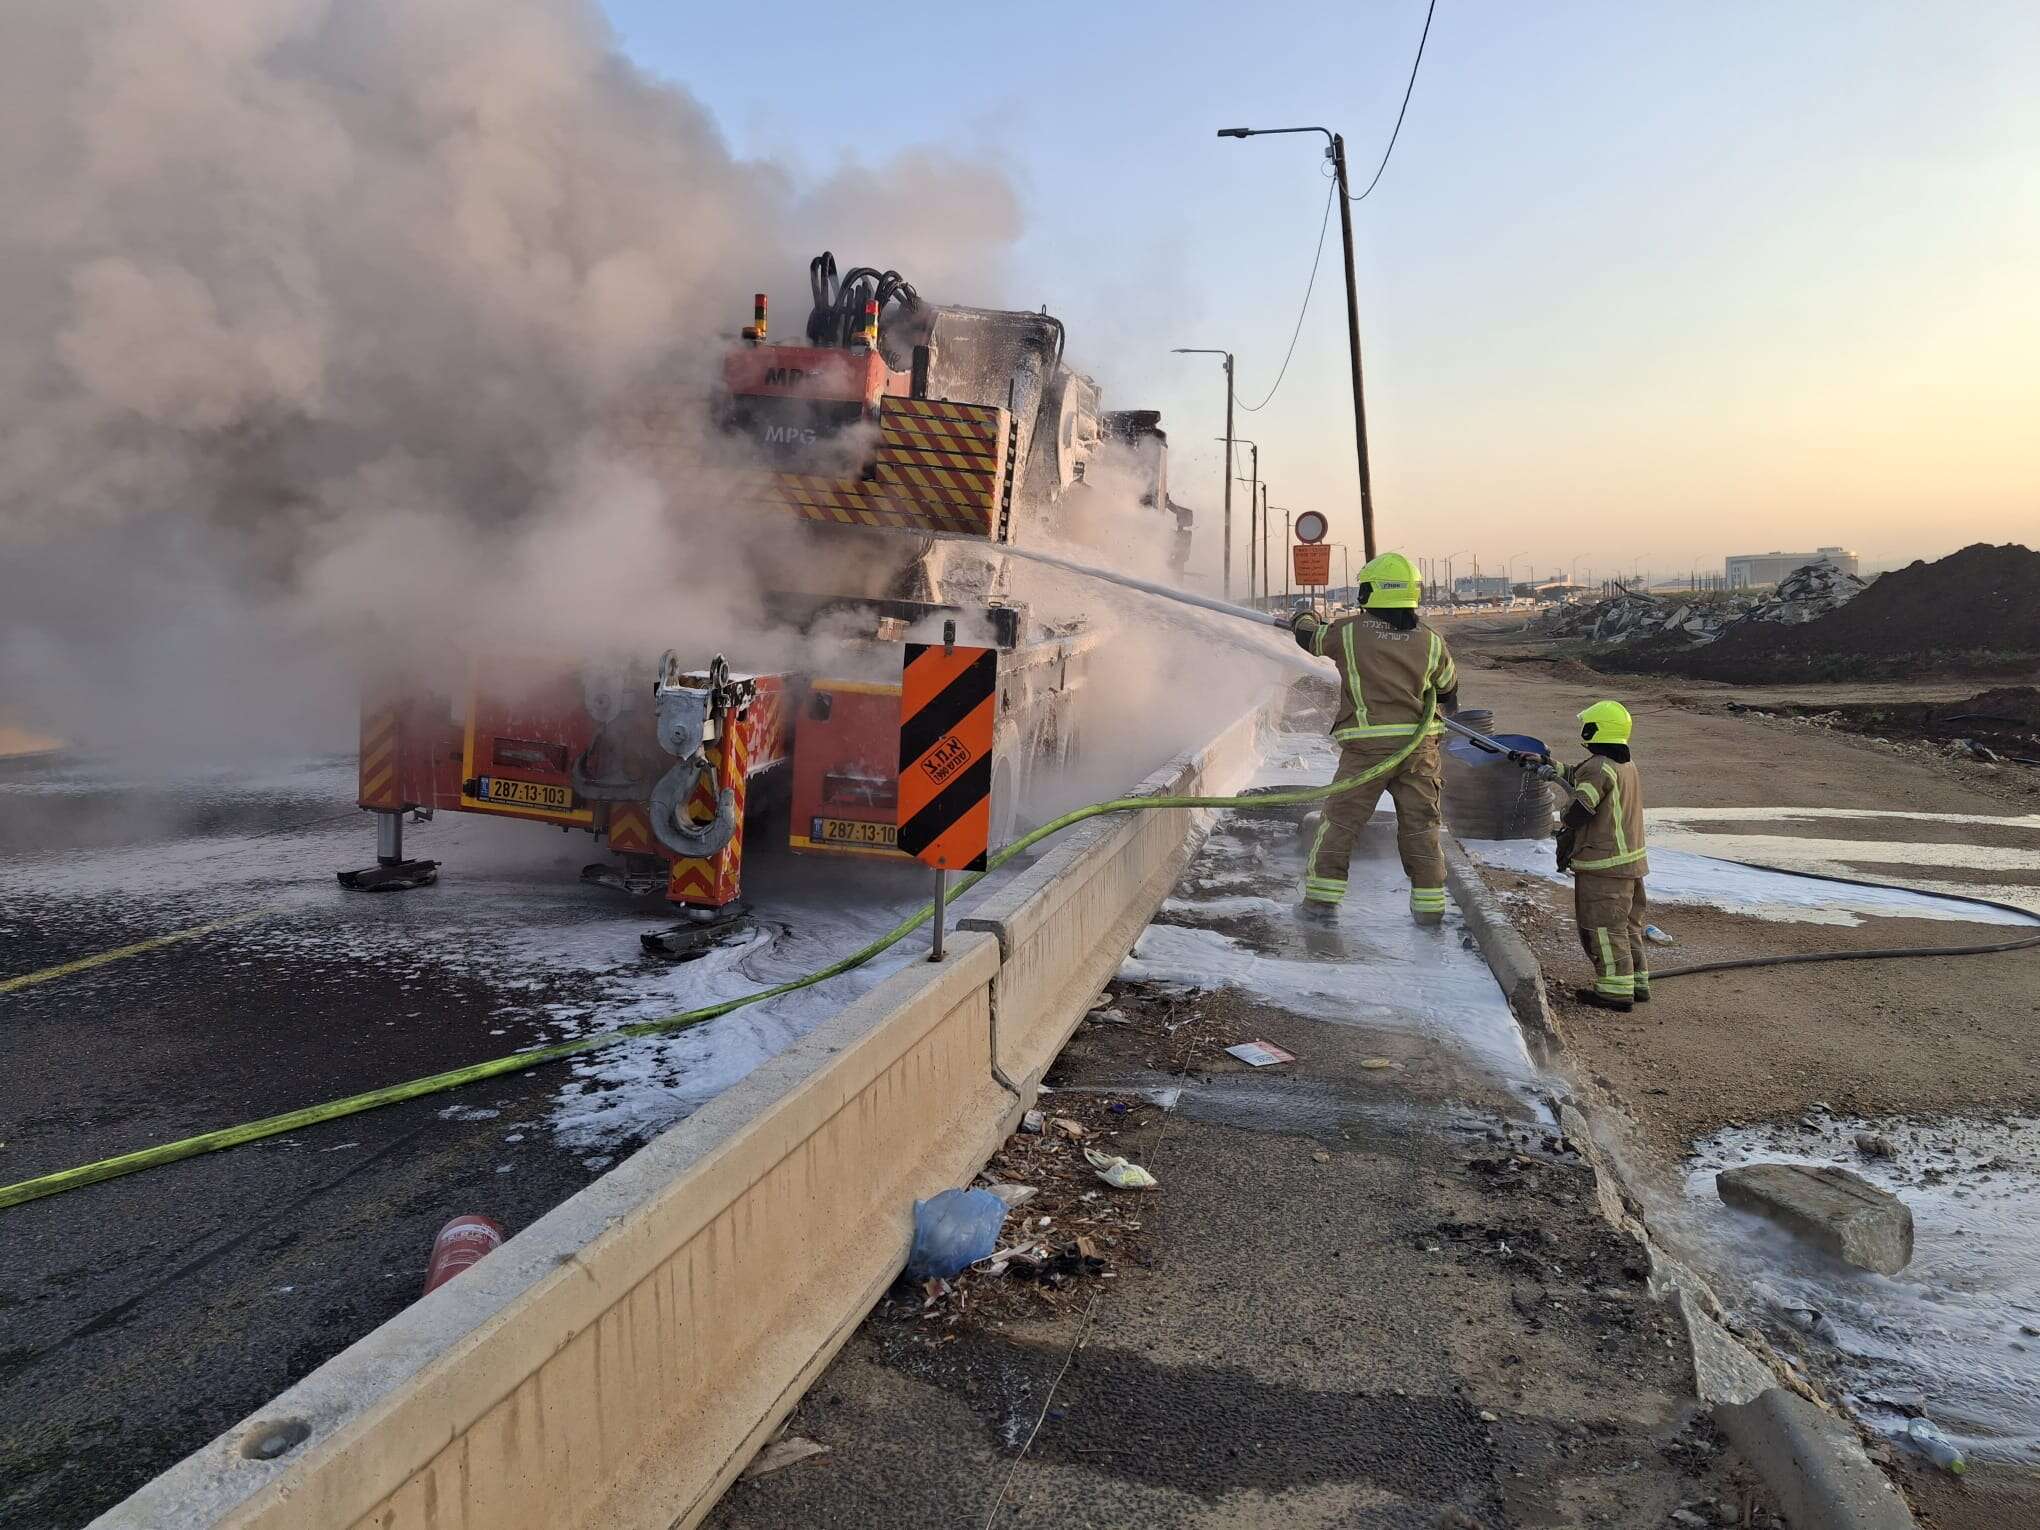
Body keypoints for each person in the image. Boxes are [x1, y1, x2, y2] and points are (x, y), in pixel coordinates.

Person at [1289, 551, 1459, 926]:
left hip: (1366, 749)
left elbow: (1310, 638)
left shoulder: (1349, 632)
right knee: (1422, 828)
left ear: (1373, 591)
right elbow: (1448, 689)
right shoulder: (1431, 640)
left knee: (1340, 823)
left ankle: (1320, 903)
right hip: (1419, 751)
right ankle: (1430, 910)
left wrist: (1303, 615)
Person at [1556, 700, 1650, 1010]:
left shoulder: (1599, 768)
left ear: (1595, 730)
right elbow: (1580, 776)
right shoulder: (1622, 763)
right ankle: (1637, 982)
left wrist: (1563, 816)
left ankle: (1614, 992)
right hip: (1629, 863)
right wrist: (1549, 766)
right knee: (1627, 926)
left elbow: (1579, 810)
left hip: (1604, 866)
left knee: (1603, 928)